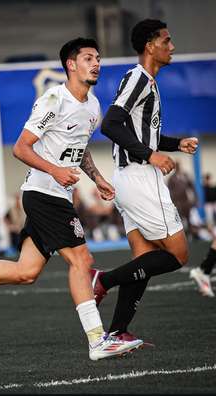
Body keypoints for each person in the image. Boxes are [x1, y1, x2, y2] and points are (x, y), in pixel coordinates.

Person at [0, 37, 142, 360]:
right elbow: (20, 147)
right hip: (43, 193)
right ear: (71, 64)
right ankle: (97, 340)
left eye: (98, 58)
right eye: (89, 58)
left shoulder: (93, 107)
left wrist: (97, 178)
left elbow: (77, 152)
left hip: (53, 193)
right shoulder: (53, 99)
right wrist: (54, 171)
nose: (96, 63)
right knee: (82, 261)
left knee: (26, 271)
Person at [90, 19, 199, 343]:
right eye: (166, 40)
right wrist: (150, 155)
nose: (172, 46)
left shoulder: (145, 81)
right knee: (179, 254)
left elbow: (140, 133)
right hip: (139, 178)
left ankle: (118, 331)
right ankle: (103, 280)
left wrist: (175, 143)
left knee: (145, 259)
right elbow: (110, 124)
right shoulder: (139, 77)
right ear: (150, 45)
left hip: (128, 179)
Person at [167, 161, 197, 237]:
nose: (179, 167)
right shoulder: (172, 178)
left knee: (189, 219)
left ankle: (192, 236)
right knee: (179, 221)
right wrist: (172, 202)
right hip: (177, 202)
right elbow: (169, 191)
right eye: (177, 166)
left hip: (186, 201)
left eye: (179, 165)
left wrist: (195, 199)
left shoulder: (185, 176)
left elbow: (192, 187)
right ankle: (183, 236)